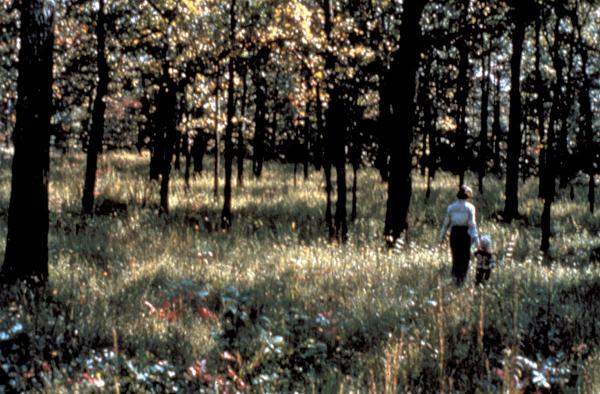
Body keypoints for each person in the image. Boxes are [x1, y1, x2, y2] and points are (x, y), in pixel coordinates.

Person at [438, 185, 479, 286]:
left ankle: (455, 279)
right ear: (467, 196)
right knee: (465, 257)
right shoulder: (470, 208)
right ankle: (462, 280)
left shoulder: (451, 207)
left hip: (455, 233)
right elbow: (472, 224)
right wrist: (476, 239)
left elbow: (446, 224)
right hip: (465, 233)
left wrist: (441, 237)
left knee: (456, 257)